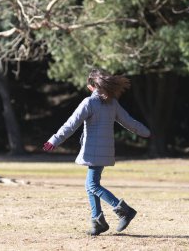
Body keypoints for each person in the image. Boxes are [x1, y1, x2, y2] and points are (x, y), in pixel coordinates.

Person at [43, 68, 150, 236]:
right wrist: (145, 132)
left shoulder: (89, 103)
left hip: (93, 151)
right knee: (89, 185)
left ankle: (124, 211)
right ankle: (97, 221)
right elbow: (129, 121)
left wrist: (53, 140)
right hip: (106, 150)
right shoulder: (112, 103)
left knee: (92, 184)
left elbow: (71, 125)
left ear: (92, 86)